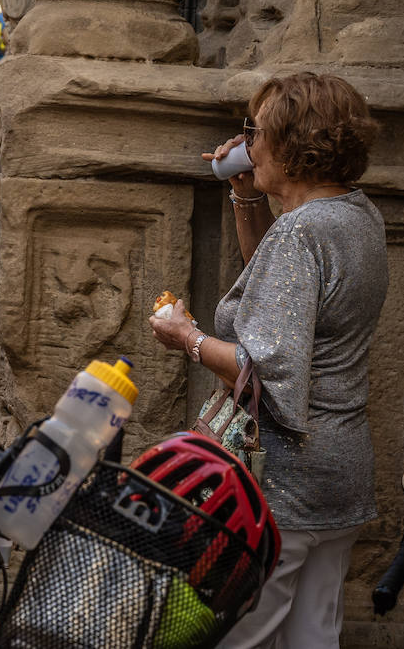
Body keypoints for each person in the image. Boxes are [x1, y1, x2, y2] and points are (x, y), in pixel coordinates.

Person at [148, 72, 387, 649]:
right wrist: (248, 193)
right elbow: (280, 293)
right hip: (341, 472)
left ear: (289, 144)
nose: (245, 142)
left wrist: (187, 338)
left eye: (254, 132)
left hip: (281, 481)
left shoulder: (302, 233)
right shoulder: (356, 215)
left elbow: (268, 370)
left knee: (242, 636)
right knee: (313, 635)